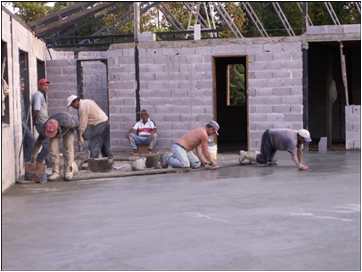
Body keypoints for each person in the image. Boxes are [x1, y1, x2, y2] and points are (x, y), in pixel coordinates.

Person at [239, 128, 311, 171]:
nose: (305, 142)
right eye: (304, 140)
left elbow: (300, 151)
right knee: (263, 160)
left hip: (275, 141)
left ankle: (255, 153)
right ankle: (244, 154)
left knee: (269, 161)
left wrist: (301, 163)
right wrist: (299, 166)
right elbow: (294, 155)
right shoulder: (292, 140)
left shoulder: (298, 137)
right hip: (268, 136)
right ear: (300, 137)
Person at [66, 95, 112, 160]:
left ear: (76, 101)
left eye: (72, 105)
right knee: (105, 145)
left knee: (94, 141)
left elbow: (83, 123)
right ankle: (108, 162)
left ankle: (94, 161)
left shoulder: (82, 107)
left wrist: (80, 135)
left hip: (99, 123)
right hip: (105, 121)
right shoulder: (86, 101)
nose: (73, 107)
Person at [44, 112, 79, 181]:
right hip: (57, 126)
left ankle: (69, 171)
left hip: (69, 129)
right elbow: (39, 141)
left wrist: (80, 136)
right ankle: (55, 172)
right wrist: (34, 154)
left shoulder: (69, 123)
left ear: (58, 129)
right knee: (53, 150)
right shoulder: (46, 125)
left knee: (68, 149)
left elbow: (78, 125)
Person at [31, 78, 50, 182]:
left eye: (47, 85)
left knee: (39, 142)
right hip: (41, 123)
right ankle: (38, 161)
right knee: (47, 145)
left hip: (44, 123)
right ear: (39, 86)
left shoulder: (42, 95)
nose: (46, 87)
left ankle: (31, 160)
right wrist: (34, 121)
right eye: (44, 85)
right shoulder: (38, 95)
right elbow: (36, 109)